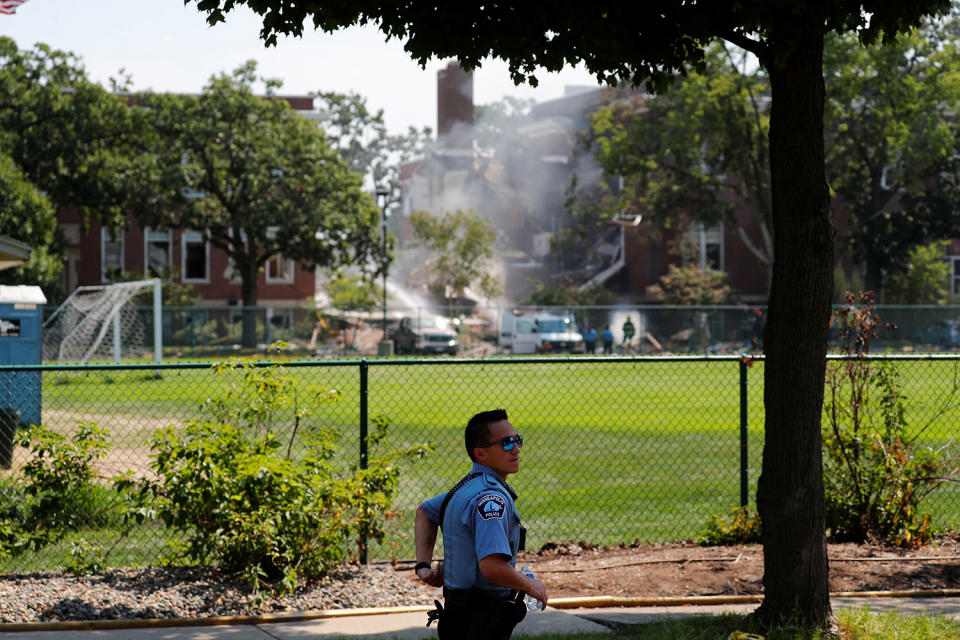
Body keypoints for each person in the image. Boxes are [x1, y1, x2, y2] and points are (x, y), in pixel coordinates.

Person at [414, 409, 548, 639]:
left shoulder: (465, 488)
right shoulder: (491, 499)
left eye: (518, 440)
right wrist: (529, 585)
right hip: (482, 618)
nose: (516, 449)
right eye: (506, 443)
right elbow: (492, 566)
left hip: (458, 613)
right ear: (481, 454)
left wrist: (423, 566)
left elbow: (425, 511)